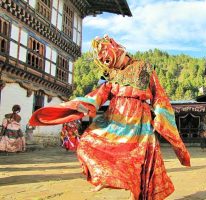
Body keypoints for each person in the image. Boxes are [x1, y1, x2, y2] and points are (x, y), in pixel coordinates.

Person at [29, 35, 190, 200]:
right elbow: (99, 95)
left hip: (139, 120)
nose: (109, 63)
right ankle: (103, 177)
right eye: (104, 60)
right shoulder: (112, 75)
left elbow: (159, 96)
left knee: (136, 160)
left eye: (108, 57)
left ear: (118, 50)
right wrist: (81, 106)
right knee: (86, 144)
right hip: (115, 121)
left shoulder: (144, 67)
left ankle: (135, 195)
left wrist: (161, 117)